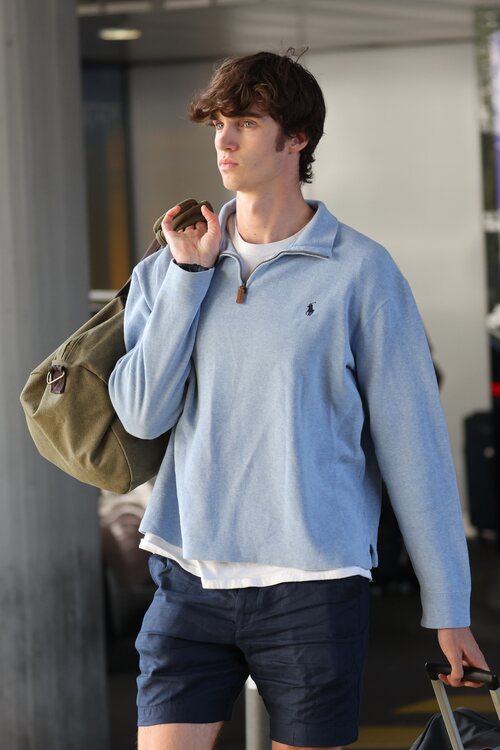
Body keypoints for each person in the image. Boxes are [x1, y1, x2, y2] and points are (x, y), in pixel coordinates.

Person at [108, 50, 488, 750]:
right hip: (187, 578)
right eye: (219, 124)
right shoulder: (170, 266)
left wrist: (449, 605)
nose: (224, 140)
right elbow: (140, 414)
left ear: (297, 139)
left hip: (312, 588)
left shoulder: (361, 272)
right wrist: (189, 280)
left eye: (247, 122)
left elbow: (415, 448)